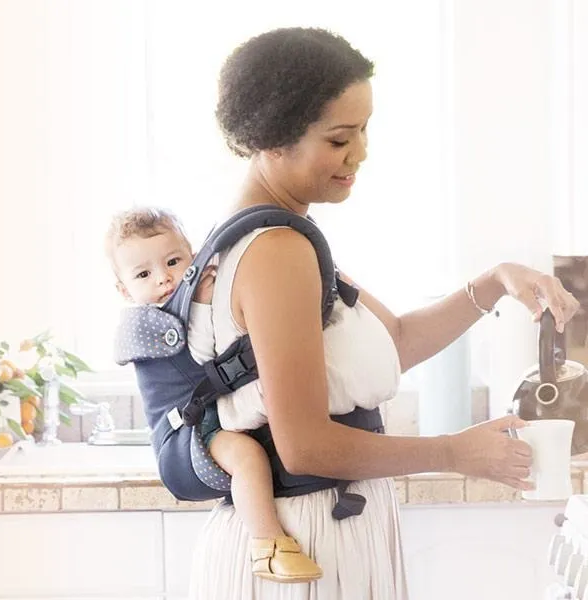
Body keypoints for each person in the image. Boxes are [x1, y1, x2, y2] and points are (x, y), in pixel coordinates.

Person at [186, 27, 581, 600]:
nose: (361, 153)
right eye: (340, 138)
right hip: (304, 535)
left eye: (364, 129)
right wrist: (452, 452)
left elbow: (393, 341)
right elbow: (304, 446)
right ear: (272, 139)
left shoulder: (278, 236)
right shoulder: (276, 250)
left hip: (323, 527)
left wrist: (494, 283)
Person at [104, 206, 323, 584]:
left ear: (192, 255)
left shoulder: (181, 301)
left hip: (205, 420)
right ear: (124, 290)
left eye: (174, 261)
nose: (164, 278)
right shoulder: (145, 324)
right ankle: (268, 546)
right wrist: (205, 298)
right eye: (144, 274)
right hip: (183, 439)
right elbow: (201, 357)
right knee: (248, 456)